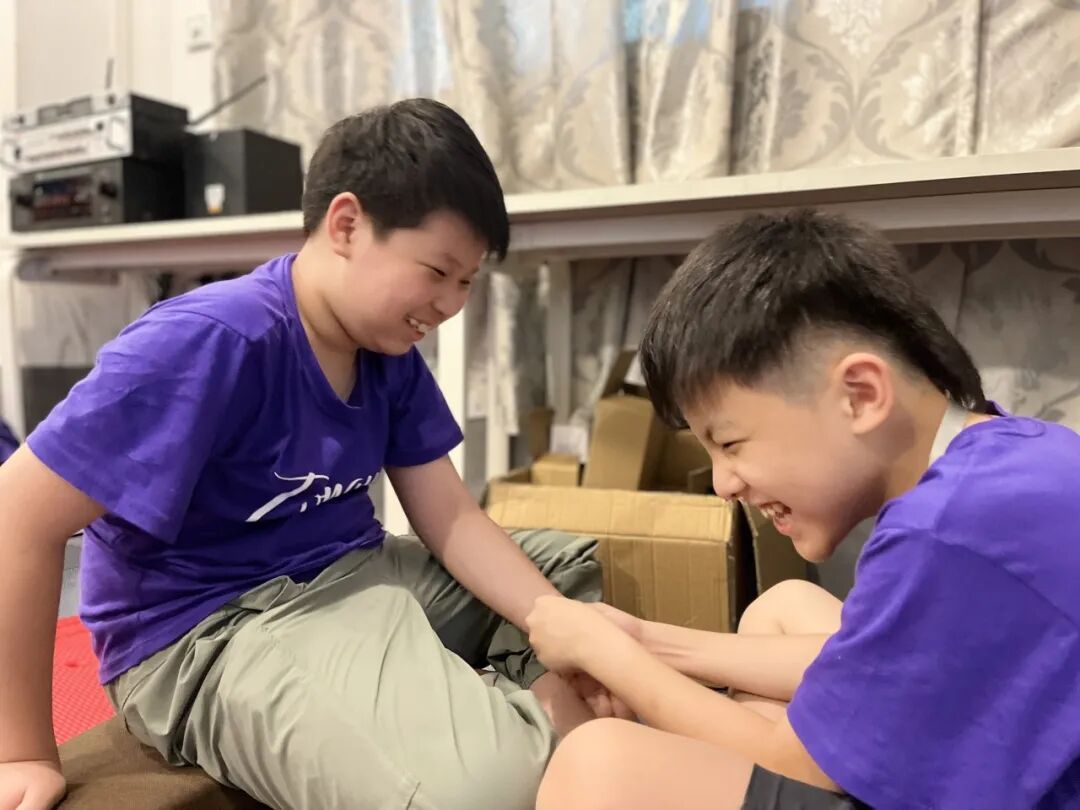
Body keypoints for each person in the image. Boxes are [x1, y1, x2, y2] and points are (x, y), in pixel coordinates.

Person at [0, 98, 622, 810]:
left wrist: (562, 630)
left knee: (564, 570)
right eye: (437, 270)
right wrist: (20, 751)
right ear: (347, 224)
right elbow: (16, 514)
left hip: (356, 573)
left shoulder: (385, 349)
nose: (451, 303)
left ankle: (514, 712)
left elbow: (451, 517)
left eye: (467, 281)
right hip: (217, 625)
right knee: (481, 792)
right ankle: (515, 729)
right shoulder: (208, 342)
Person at [525, 210, 1080, 809]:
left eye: (731, 443)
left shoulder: (944, 532)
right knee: (783, 606)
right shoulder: (1008, 454)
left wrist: (608, 654)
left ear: (860, 395)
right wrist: (642, 638)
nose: (723, 484)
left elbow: (791, 764)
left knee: (599, 760)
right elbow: (891, 657)